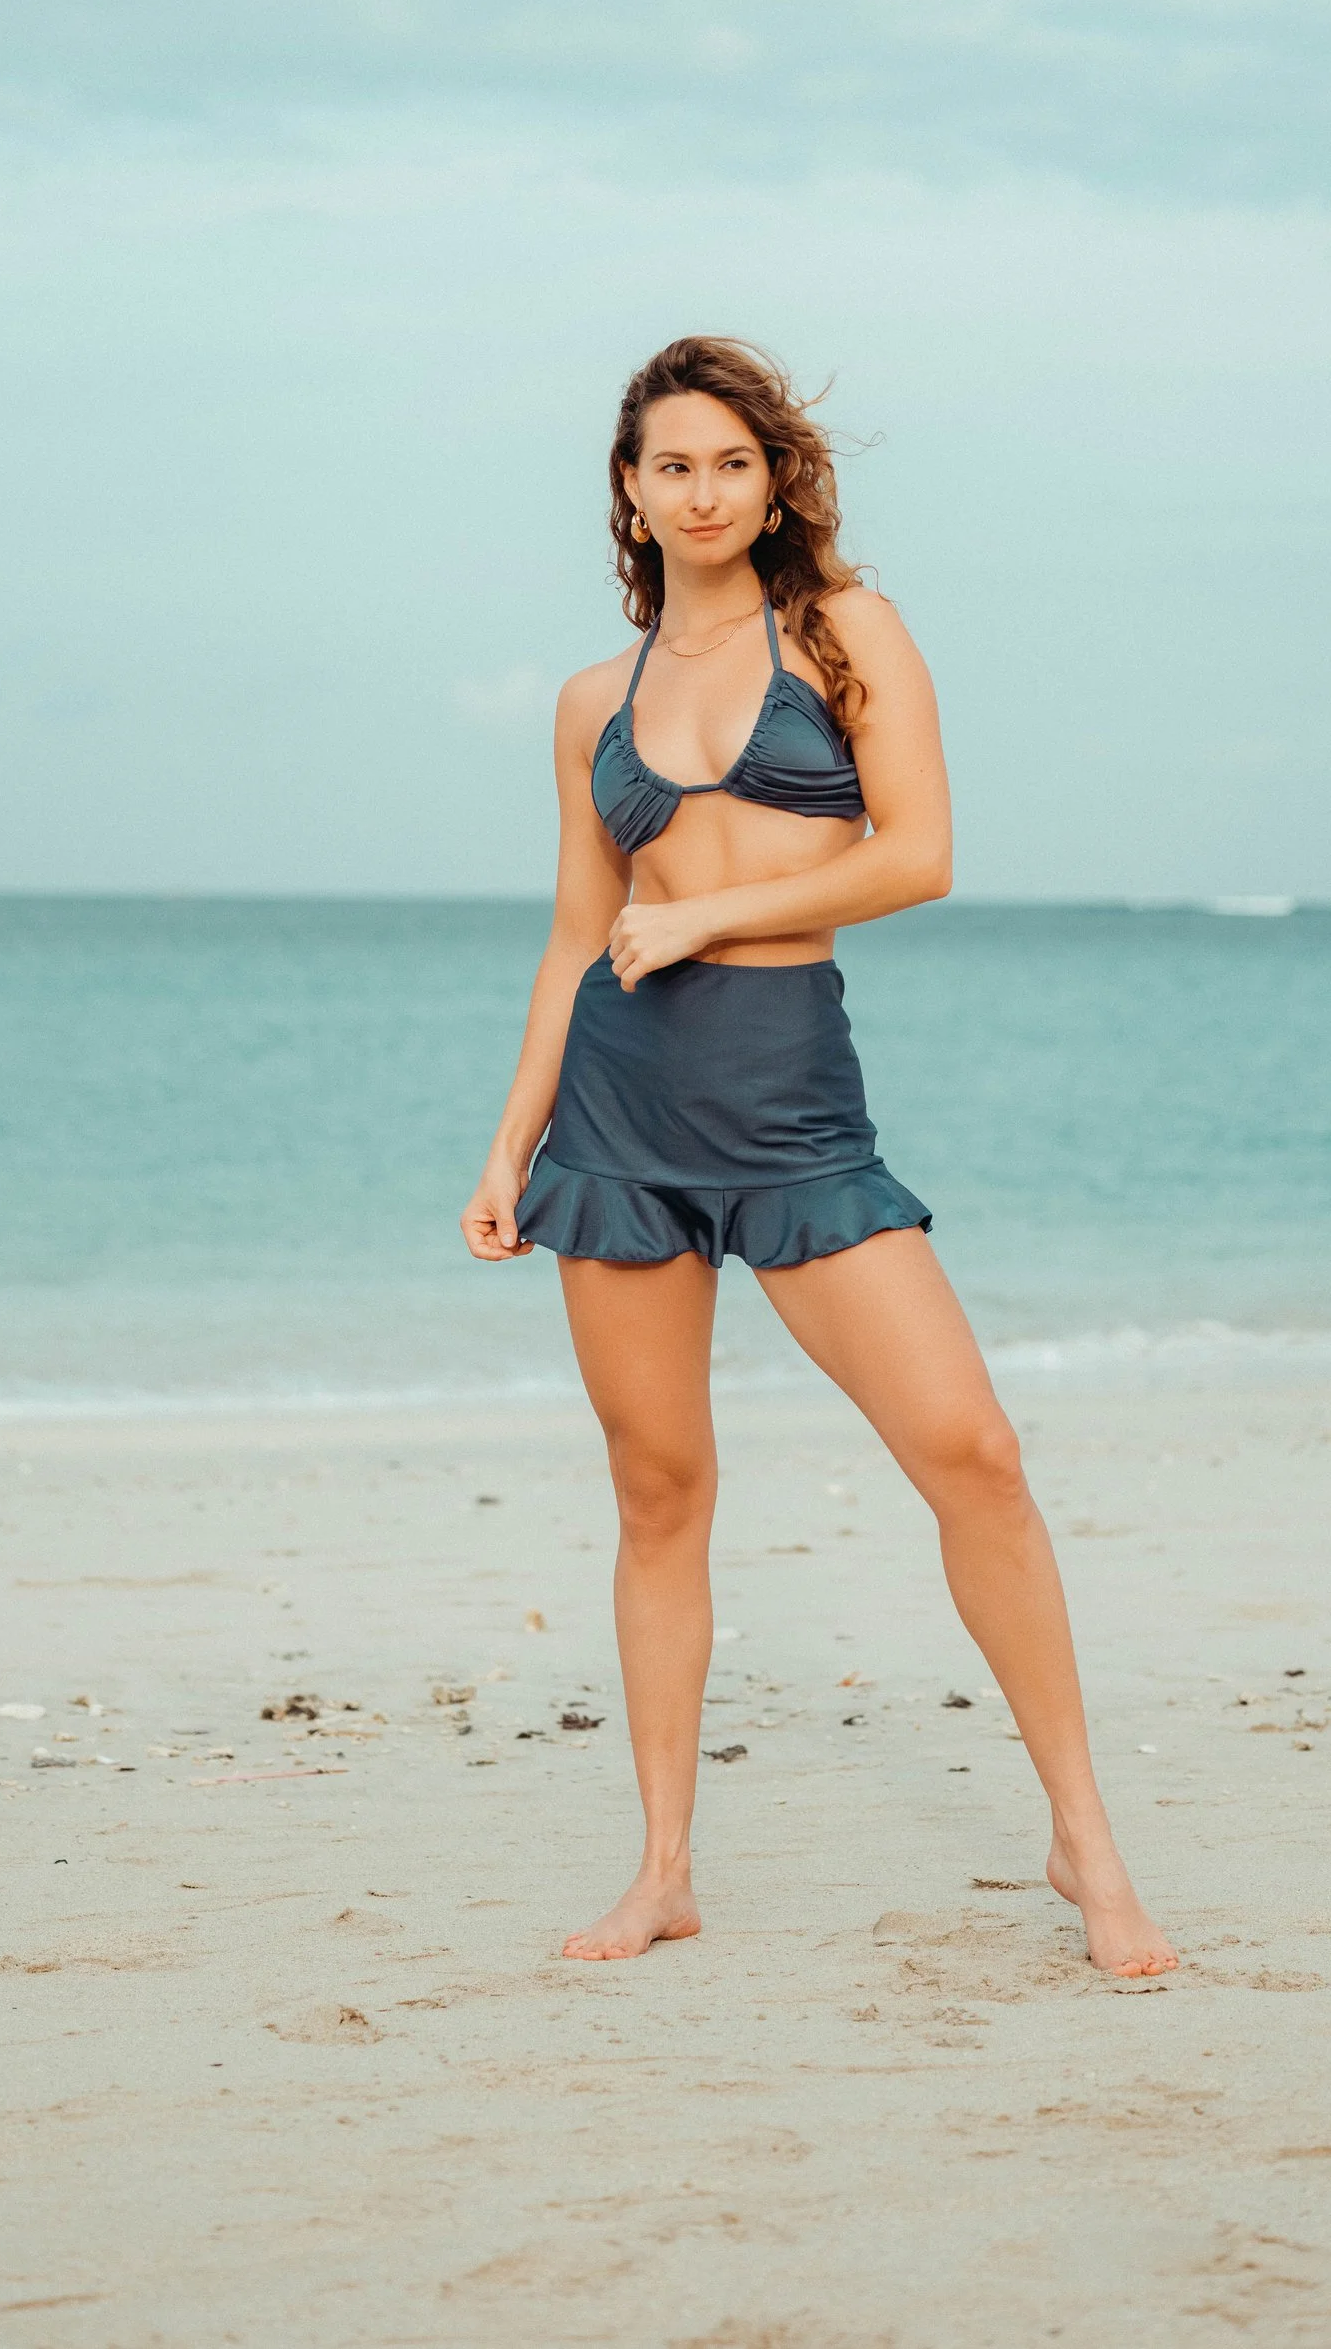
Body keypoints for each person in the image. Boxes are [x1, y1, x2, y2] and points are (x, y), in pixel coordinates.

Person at [461, 336, 1178, 1975]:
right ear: (629, 496)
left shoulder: (848, 634)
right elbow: (578, 934)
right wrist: (509, 1146)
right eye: (671, 466)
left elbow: (917, 855)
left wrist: (708, 909)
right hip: (621, 1122)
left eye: (731, 461)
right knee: (659, 1491)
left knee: (973, 1450)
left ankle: (1084, 1842)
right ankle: (661, 1871)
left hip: (791, 1104)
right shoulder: (593, 705)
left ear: (772, 477)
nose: (703, 491)